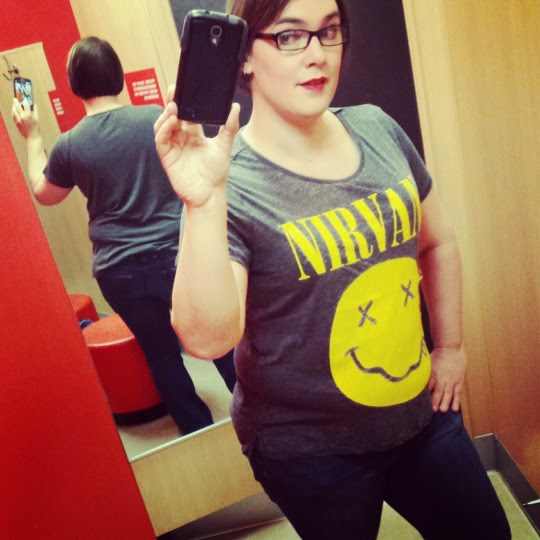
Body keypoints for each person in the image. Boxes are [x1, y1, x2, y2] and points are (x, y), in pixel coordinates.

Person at [154, 0, 511, 537]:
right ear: (244, 56)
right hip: (310, 453)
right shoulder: (231, 182)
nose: (317, 54)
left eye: (330, 31)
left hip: (420, 412)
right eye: (290, 36)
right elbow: (208, 339)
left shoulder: (376, 127)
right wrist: (204, 204)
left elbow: (437, 242)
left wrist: (451, 348)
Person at [11, 36, 236, 436]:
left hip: (118, 271)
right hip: (177, 256)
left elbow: (44, 193)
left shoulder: (69, 144)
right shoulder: (155, 119)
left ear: (75, 84)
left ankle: (197, 435)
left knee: (161, 356)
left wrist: (32, 136)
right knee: (217, 341)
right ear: (117, 75)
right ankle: (259, 418)